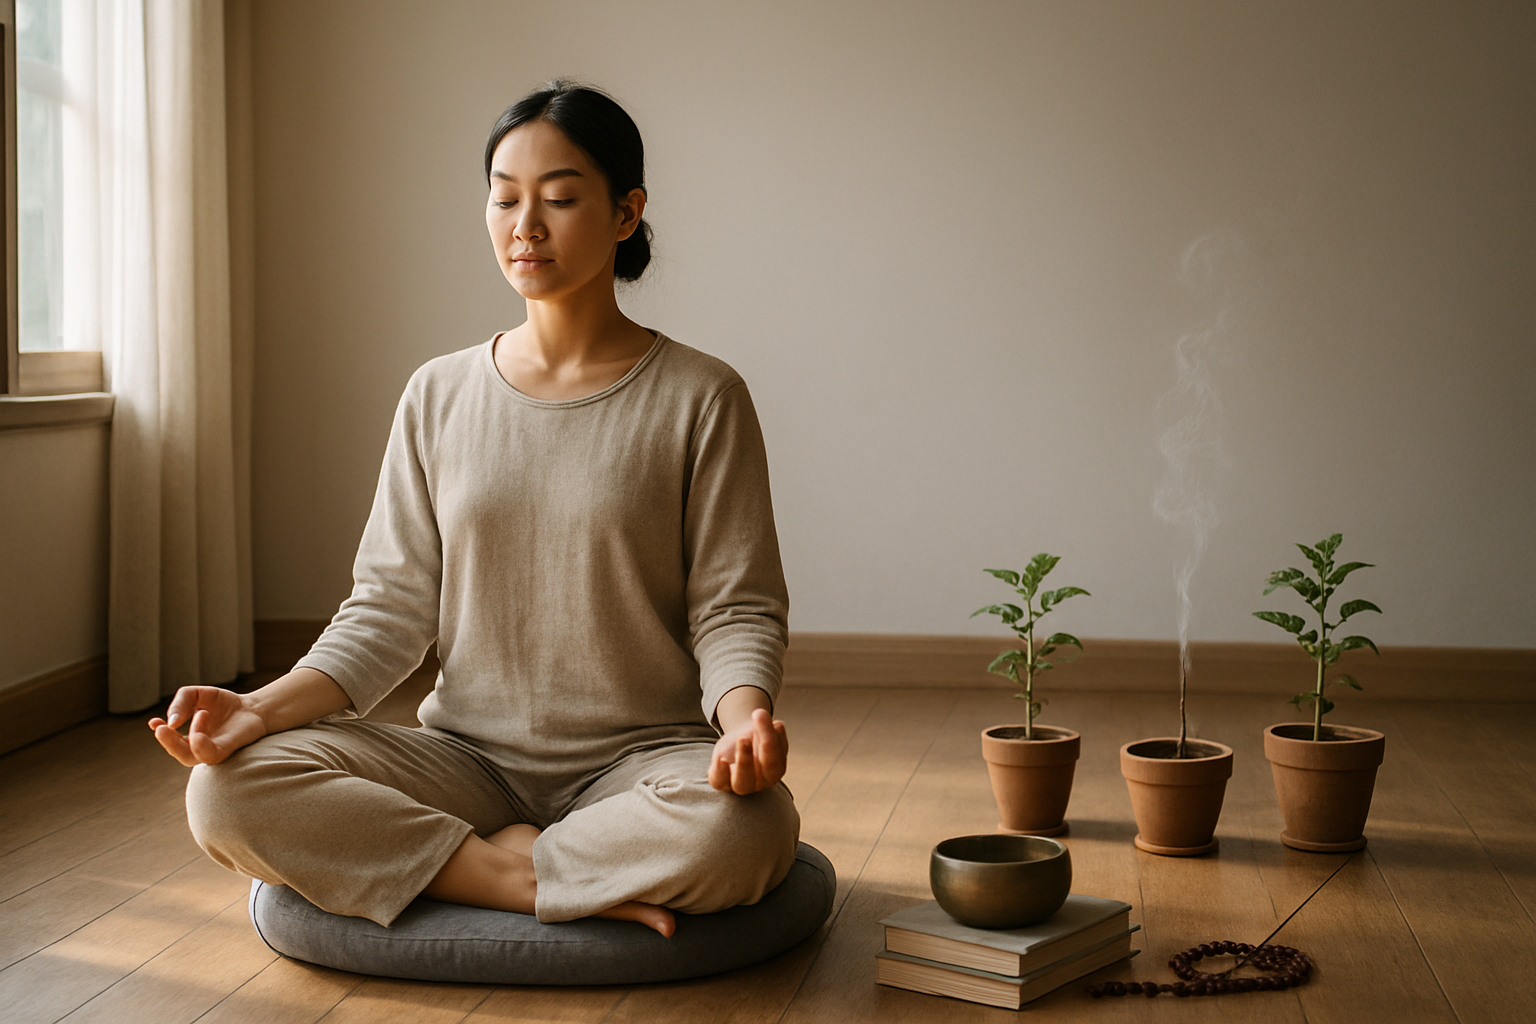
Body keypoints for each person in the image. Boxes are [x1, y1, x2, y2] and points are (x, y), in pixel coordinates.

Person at [148, 82, 798, 938]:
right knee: (224, 790)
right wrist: (258, 709)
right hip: (464, 761)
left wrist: (745, 725)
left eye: (559, 199)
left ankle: (463, 864)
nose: (526, 225)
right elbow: (388, 610)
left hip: (641, 760)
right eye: (504, 198)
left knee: (747, 827)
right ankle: (515, 875)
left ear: (625, 213)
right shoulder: (438, 392)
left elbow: (734, 607)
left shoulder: (702, 396)